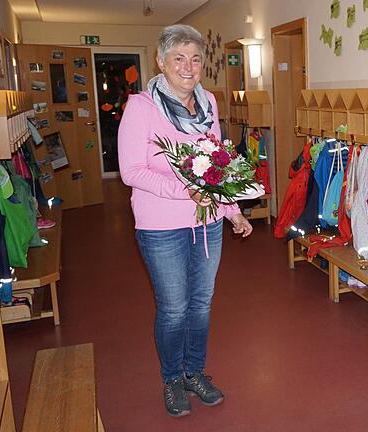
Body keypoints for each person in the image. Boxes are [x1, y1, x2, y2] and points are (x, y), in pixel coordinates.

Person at [118, 24, 253, 418]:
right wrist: (184, 192)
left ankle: (195, 372)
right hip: (161, 226)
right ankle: (172, 378)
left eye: (195, 58)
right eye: (178, 58)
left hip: (208, 221)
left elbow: (217, 165)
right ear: (161, 62)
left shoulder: (208, 102)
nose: (188, 66)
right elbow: (131, 171)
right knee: (174, 307)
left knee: (202, 305)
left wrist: (232, 211)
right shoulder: (141, 107)